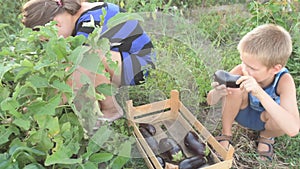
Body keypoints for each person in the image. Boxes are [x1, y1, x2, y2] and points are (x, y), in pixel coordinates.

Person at [22, 0, 156, 127]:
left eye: (48, 40)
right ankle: (102, 94)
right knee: (79, 64)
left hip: (140, 66)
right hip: (121, 59)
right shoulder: (78, 13)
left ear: (56, 24)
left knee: (84, 60)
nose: (50, 44)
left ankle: (112, 109)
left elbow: (75, 68)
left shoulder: (90, 22)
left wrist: (47, 103)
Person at [207, 24, 299, 161]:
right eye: (243, 62)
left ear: (275, 69)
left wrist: (260, 93)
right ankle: (226, 133)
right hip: (241, 113)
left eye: (252, 68)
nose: (244, 69)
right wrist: (218, 93)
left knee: (281, 119)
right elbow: (210, 101)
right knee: (234, 88)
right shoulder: (241, 70)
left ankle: (266, 137)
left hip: (265, 121)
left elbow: (292, 129)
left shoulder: (284, 81)